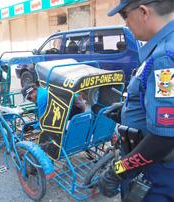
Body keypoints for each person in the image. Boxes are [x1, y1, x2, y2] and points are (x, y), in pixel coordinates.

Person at [99, 0, 174, 201]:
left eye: (124, 15)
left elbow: (165, 135)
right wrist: (129, 108)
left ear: (143, 12)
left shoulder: (163, 58)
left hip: (156, 170)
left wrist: (119, 171)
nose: (125, 24)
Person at [21, 83, 86, 132]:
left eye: (29, 98)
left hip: (75, 107)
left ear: (33, 91)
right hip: (79, 103)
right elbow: (46, 108)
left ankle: (60, 137)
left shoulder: (41, 97)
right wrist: (30, 111)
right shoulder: (42, 89)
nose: (31, 100)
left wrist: (32, 128)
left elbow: (43, 120)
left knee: (52, 121)